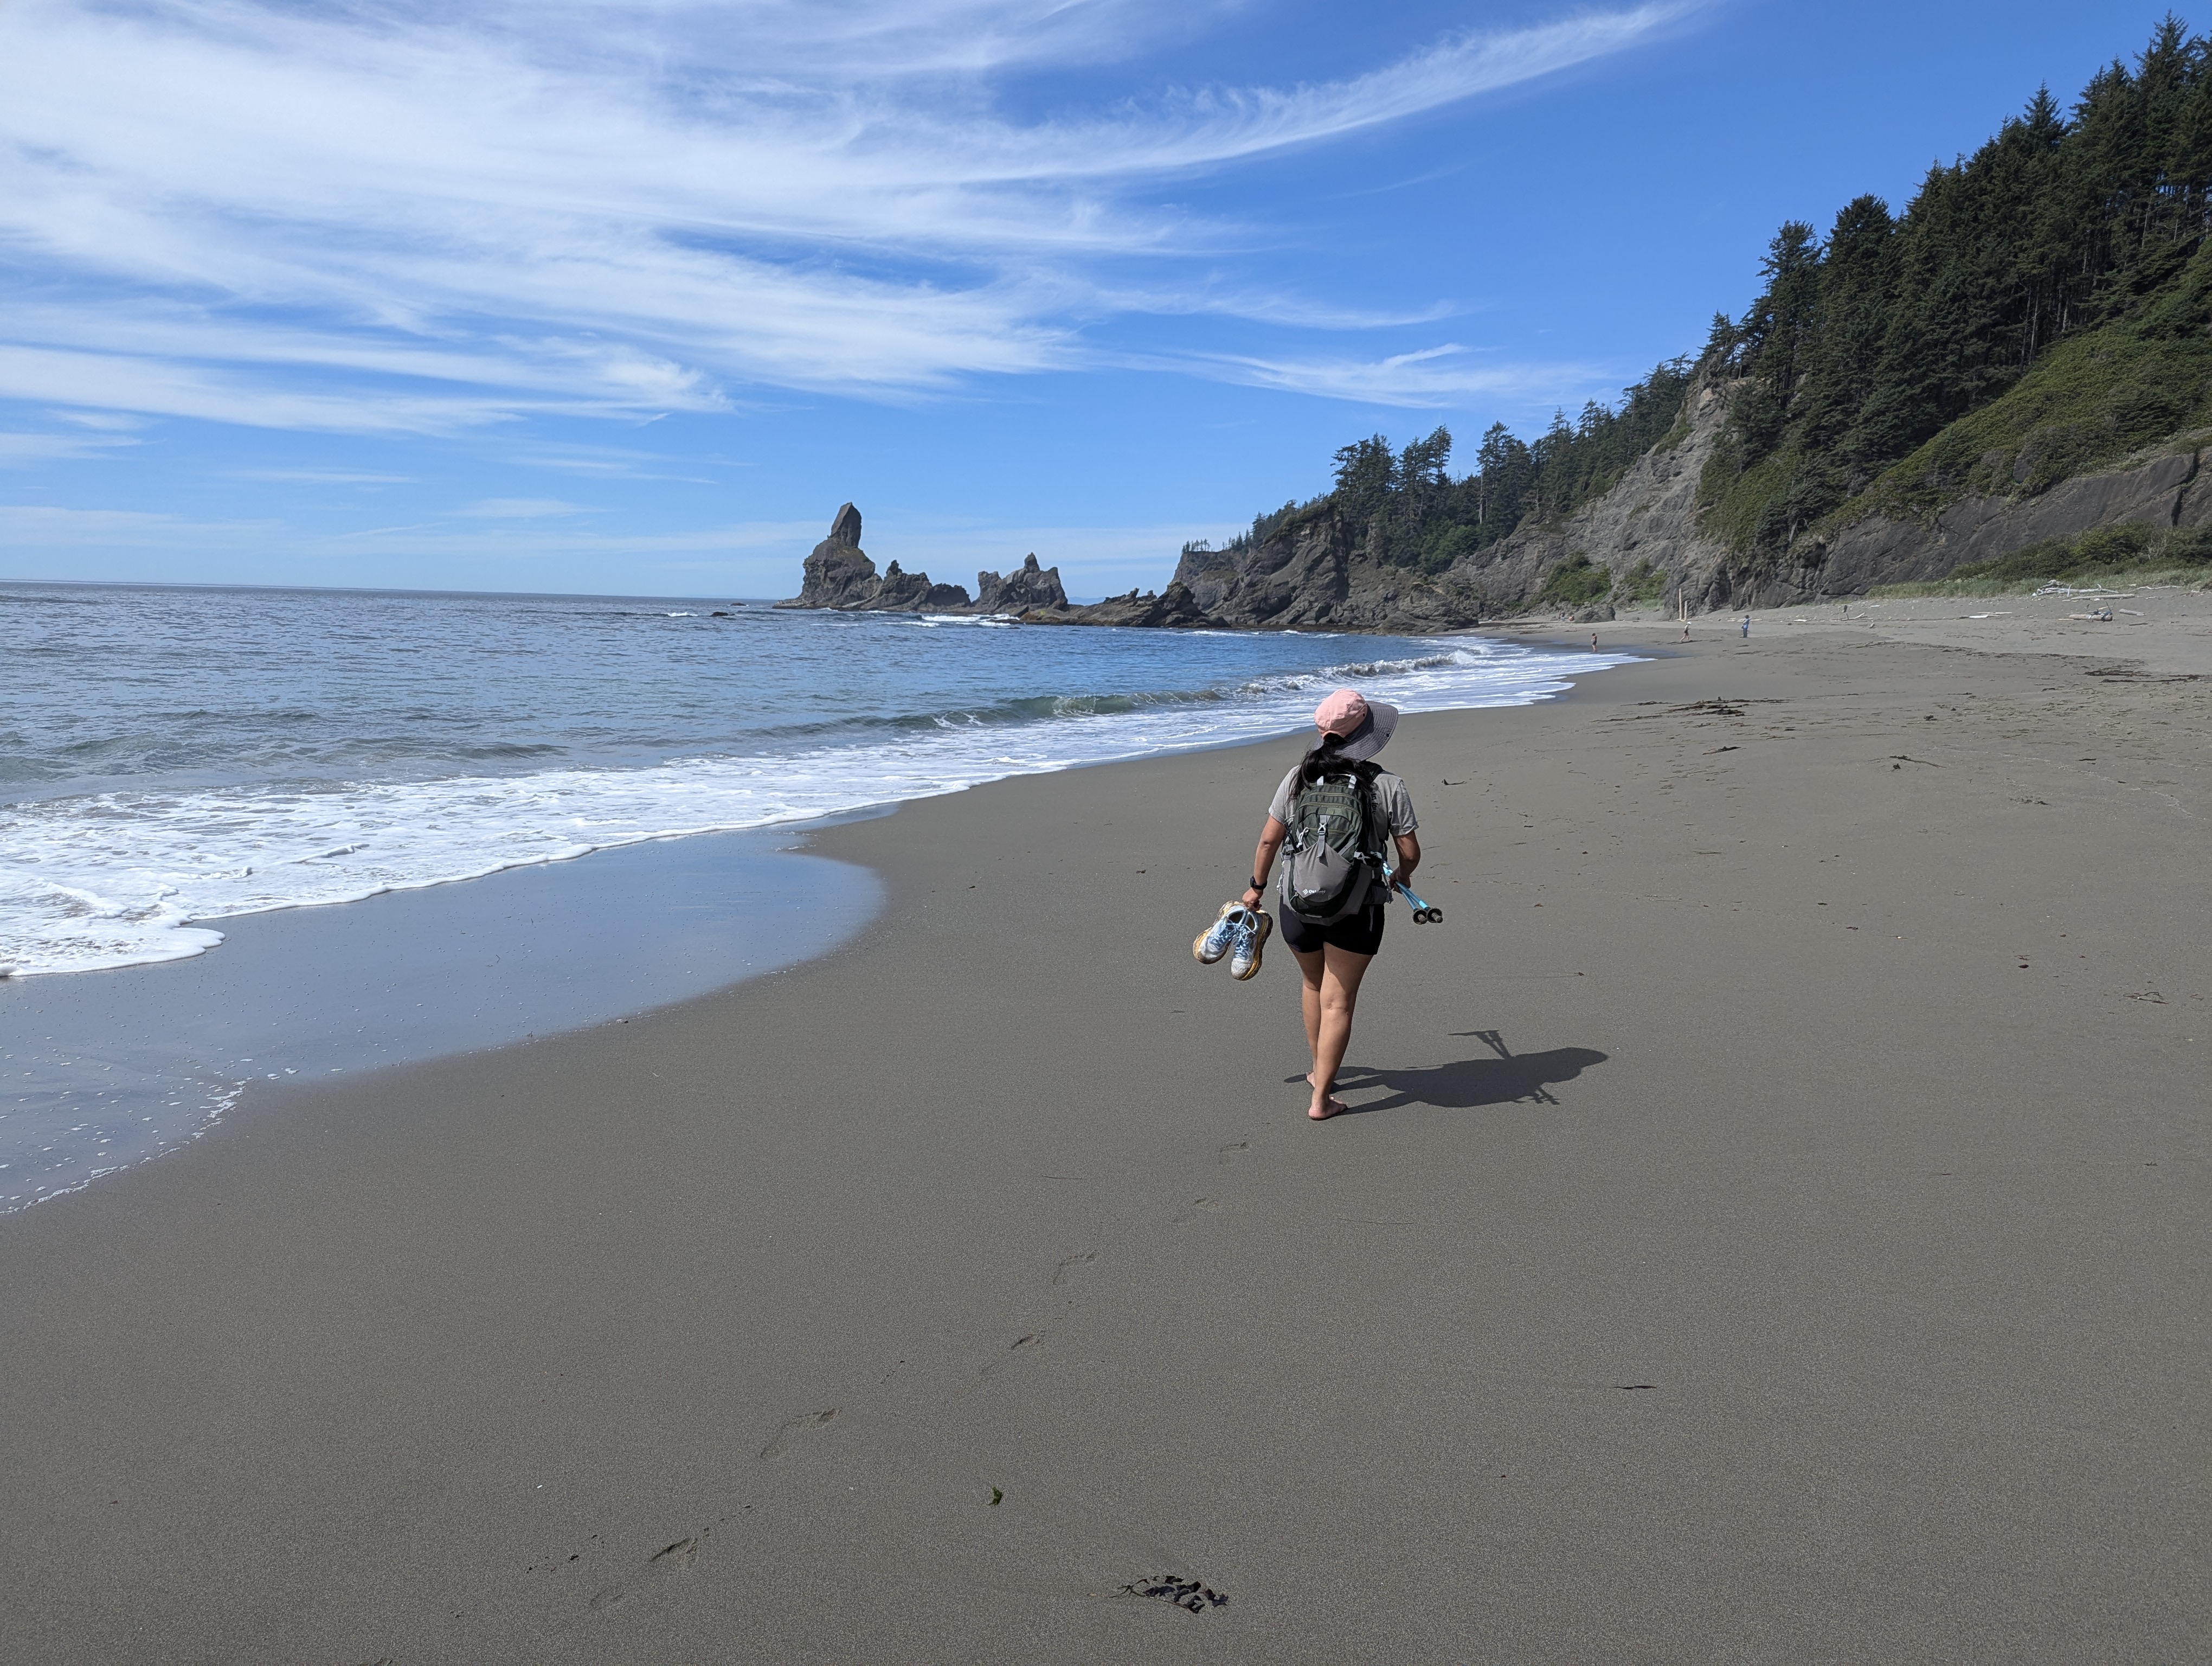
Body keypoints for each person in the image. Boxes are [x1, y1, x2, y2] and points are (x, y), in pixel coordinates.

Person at [1240, 690, 1421, 1121]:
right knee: (1339, 1001)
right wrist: (1402, 876)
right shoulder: (1386, 784)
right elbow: (1410, 850)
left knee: (1313, 986)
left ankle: (1320, 1072)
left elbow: (1269, 839)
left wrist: (1255, 888)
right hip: (1357, 908)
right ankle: (1321, 1099)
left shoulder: (1298, 777)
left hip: (1295, 903)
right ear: (1366, 735)